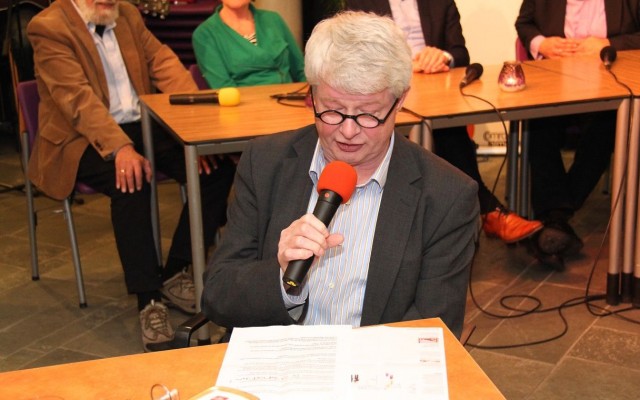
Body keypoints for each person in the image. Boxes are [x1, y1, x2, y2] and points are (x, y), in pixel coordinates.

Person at [202, 10, 479, 339]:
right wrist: (281, 278)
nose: (348, 131)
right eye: (332, 110)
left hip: (376, 365)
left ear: (400, 100)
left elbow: (431, 333)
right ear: (311, 95)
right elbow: (217, 295)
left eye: (368, 114)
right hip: (276, 357)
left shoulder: (447, 195)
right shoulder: (265, 162)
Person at [27, 0, 236, 352]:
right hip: (80, 137)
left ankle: (175, 270)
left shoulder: (126, 14)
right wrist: (120, 148)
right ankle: (148, 298)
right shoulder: (48, 26)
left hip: (140, 125)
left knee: (215, 168)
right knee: (131, 181)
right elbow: (76, 100)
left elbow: (163, 63)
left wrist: (196, 129)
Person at [345, 0, 543, 245]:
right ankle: (488, 211)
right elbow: (355, 58)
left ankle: (477, 215)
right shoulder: (360, 2)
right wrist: (402, 64)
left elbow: (460, 53)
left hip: (434, 88)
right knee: (440, 134)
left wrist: (443, 56)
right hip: (387, 95)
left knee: (448, 125)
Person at [515, 0, 640, 270]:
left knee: (606, 127)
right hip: (555, 81)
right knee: (539, 123)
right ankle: (557, 219)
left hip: (608, 85)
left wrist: (610, 43)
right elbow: (524, 24)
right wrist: (542, 44)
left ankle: (554, 217)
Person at [192, 0, 305, 89]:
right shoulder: (204, 34)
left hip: (289, 98)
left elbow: (302, 70)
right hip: (245, 106)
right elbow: (224, 88)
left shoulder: (273, 19)